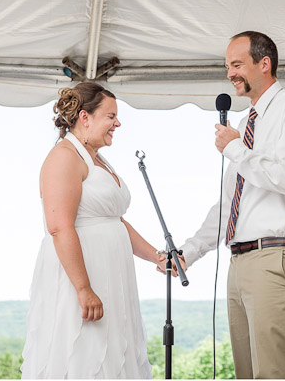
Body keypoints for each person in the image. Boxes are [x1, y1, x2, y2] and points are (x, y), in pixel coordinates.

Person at [178, 31, 285, 379]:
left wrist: (236, 150)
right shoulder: (244, 124)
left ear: (264, 64)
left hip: (277, 257)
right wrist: (190, 252)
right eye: (228, 66)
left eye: (237, 64)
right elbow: (231, 203)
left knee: (274, 372)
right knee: (246, 373)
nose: (230, 73)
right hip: (239, 261)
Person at [21, 82, 183, 378]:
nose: (117, 123)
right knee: (84, 353)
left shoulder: (98, 159)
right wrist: (83, 289)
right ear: (85, 117)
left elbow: (115, 220)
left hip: (112, 278)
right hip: (81, 278)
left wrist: (158, 257)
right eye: (110, 116)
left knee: (113, 354)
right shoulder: (64, 157)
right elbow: (59, 227)